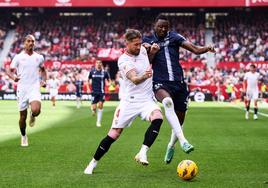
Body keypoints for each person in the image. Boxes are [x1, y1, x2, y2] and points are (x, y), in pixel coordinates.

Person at [84, 29, 163, 175]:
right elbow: (134, 79)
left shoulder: (143, 51)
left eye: (140, 43)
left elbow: (147, 61)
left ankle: (143, 151)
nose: (139, 47)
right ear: (126, 43)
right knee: (114, 134)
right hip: (130, 102)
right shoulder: (123, 60)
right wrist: (145, 76)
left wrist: (152, 51)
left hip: (146, 99)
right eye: (135, 45)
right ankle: (93, 162)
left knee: (158, 118)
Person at [143, 14, 215, 164]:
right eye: (160, 26)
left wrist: (206, 48)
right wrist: (152, 52)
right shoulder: (148, 40)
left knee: (180, 119)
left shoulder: (174, 37)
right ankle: (183, 141)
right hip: (160, 83)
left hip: (179, 83)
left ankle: (171, 145)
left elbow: (195, 50)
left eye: (165, 27)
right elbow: (147, 63)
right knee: (167, 102)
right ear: (154, 26)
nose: (163, 29)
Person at [6, 34, 46, 147]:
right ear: (24, 43)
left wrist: (44, 80)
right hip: (22, 90)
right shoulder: (18, 57)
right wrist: (14, 77)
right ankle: (23, 136)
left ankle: (33, 115)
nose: (31, 43)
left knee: (36, 110)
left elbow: (43, 70)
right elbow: (9, 70)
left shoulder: (39, 57)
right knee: (22, 117)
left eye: (33, 41)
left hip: (34, 88)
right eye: (29, 41)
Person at [87, 60, 111, 127]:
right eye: (97, 63)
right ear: (95, 64)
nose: (99, 64)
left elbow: (109, 80)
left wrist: (109, 84)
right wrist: (88, 88)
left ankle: (98, 122)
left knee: (100, 105)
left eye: (100, 63)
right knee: (94, 107)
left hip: (101, 92)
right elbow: (87, 80)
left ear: (101, 64)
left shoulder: (105, 72)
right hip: (94, 92)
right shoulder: (92, 72)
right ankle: (93, 110)